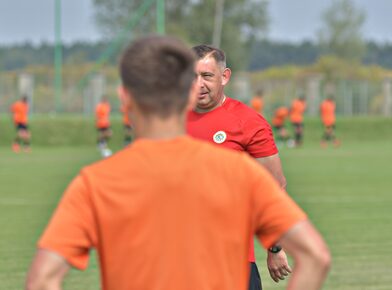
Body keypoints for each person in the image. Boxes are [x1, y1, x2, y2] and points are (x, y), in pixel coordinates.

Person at [26, 36, 330, 290]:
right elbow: (315, 256)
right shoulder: (238, 173)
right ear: (185, 96)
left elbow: (43, 279)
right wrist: (276, 247)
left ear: (123, 97)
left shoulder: (97, 182)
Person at [187, 44, 289, 290]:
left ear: (225, 77)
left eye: (207, 76)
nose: (198, 84)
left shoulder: (248, 123)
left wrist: (274, 246)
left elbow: (275, 188)